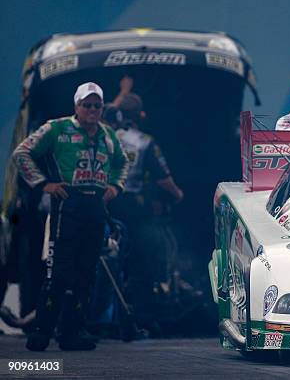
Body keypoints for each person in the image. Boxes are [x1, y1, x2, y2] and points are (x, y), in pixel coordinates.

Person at [12, 82, 128, 351]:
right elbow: (22, 153)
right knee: (61, 272)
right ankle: (41, 331)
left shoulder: (108, 134)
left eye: (96, 105)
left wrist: (115, 187)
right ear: (76, 106)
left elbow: (123, 162)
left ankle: (72, 332)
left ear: (102, 107)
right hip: (68, 203)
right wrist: (43, 185)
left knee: (87, 274)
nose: (91, 110)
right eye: (86, 105)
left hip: (96, 205)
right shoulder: (57, 128)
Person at [109, 93, 183, 329]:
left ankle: (101, 317)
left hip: (107, 204)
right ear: (141, 115)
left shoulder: (104, 136)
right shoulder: (144, 141)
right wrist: (178, 194)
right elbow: (163, 179)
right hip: (133, 209)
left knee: (105, 260)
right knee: (143, 263)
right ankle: (141, 318)